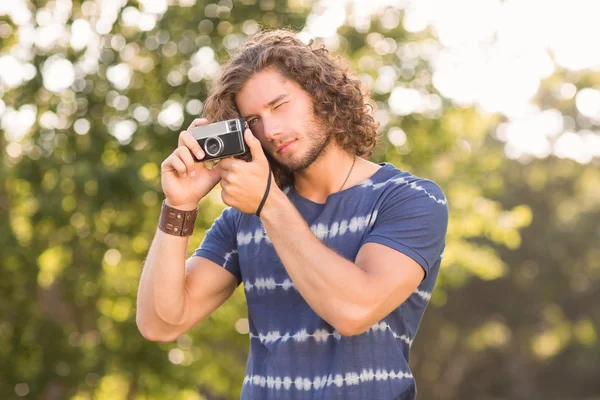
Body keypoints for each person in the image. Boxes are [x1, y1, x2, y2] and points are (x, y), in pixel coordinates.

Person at [136, 29, 449, 400]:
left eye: (279, 105)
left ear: (321, 95)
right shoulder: (244, 218)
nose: (270, 130)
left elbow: (353, 309)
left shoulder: (409, 198)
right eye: (253, 120)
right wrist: (180, 205)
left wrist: (268, 202)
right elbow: (160, 322)